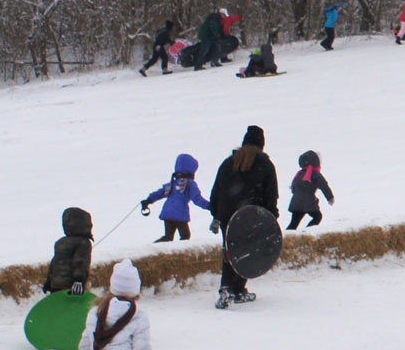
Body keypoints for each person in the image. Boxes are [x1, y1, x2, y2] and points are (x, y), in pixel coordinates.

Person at [209, 125, 280, 307]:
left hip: (228, 217)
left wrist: (218, 214)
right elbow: (271, 195)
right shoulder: (265, 165)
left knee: (230, 252)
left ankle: (227, 288)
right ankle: (237, 290)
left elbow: (215, 193)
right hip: (253, 218)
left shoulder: (227, 163)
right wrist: (271, 218)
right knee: (247, 253)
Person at [141, 154, 210, 242]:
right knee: (185, 236)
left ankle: (155, 248)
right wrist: (209, 206)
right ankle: (182, 253)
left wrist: (148, 200)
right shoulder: (190, 184)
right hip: (180, 214)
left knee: (168, 237)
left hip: (167, 212)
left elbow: (160, 193)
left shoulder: (173, 183)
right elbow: (197, 199)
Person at [45, 208, 94, 294]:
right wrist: (79, 281)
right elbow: (80, 263)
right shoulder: (84, 243)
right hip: (72, 286)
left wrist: (48, 281)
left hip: (55, 285)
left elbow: (55, 263)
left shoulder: (60, 242)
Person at [287, 150, 334, 230]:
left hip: (296, 202)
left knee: (293, 223)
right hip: (308, 203)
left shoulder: (299, 174)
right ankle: (307, 233)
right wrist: (330, 198)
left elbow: (294, 187)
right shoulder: (314, 174)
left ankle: (285, 238)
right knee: (317, 217)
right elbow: (324, 185)